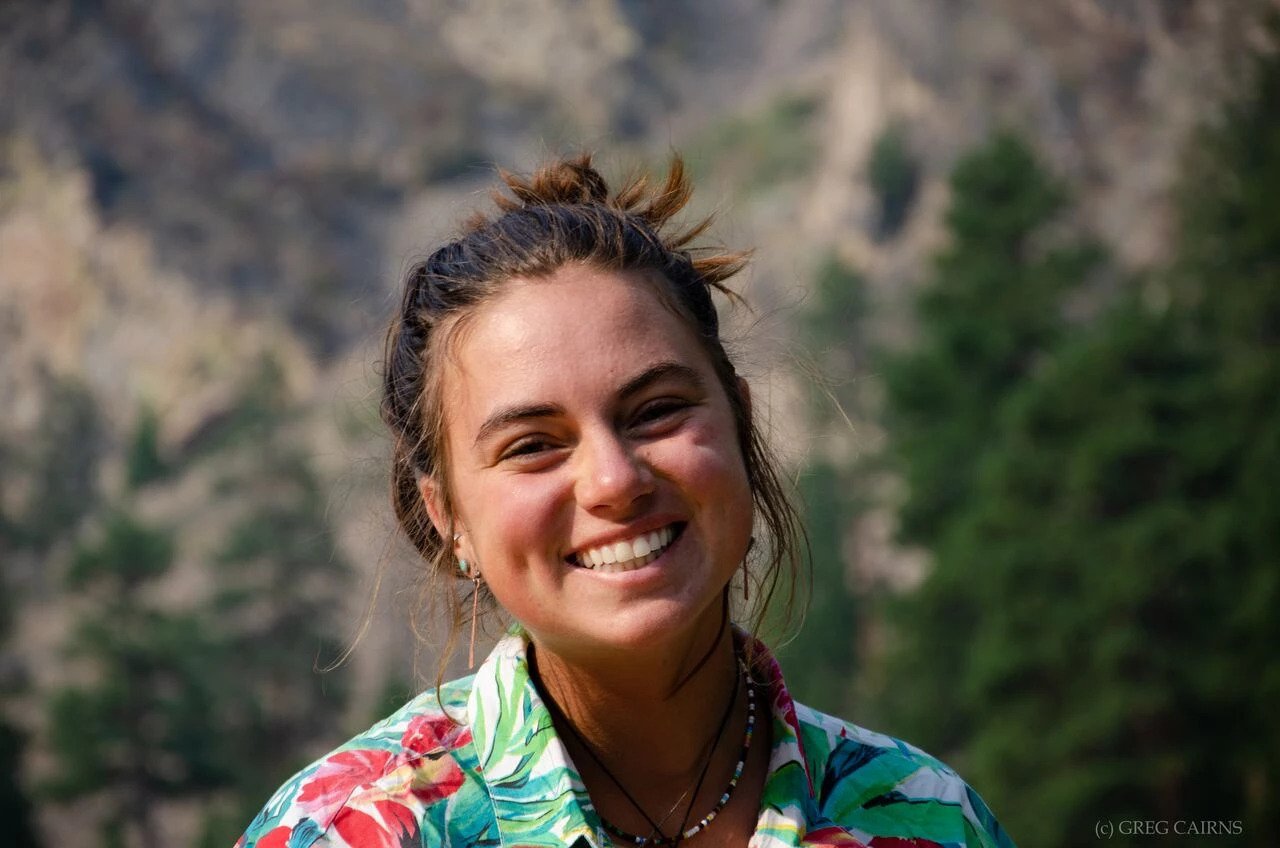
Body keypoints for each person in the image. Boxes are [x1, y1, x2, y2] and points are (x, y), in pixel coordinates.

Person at [235, 155, 1015, 848]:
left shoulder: (924, 819)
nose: (614, 480)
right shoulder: (346, 832)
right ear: (449, 519)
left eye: (656, 411)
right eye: (533, 445)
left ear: (741, 422)